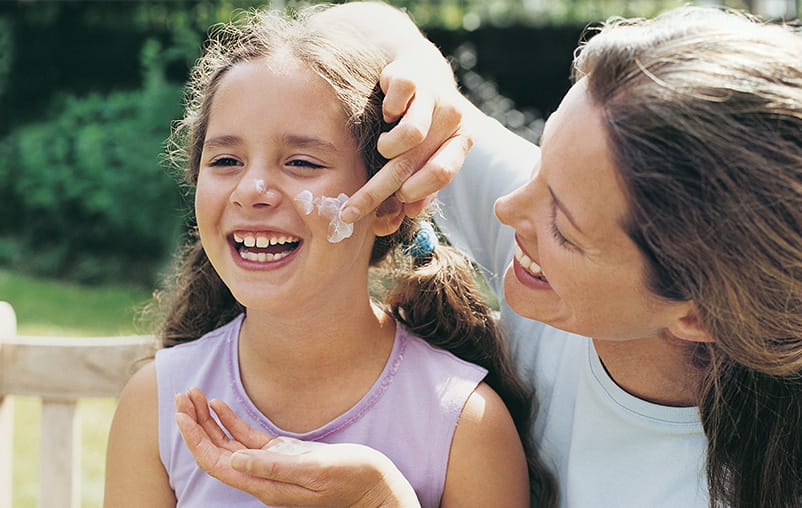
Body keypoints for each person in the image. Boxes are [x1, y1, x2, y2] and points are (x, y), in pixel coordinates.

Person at [188, 3, 802, 508]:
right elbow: (344, 29)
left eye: (561, 225)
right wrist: (424, 72)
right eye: (542, 161)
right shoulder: (576, 204)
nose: (507, 210)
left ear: (697, 315)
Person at [102, 6, 547, 507]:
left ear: (388, 205)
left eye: (302, 162)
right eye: (226, 160)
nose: (252, 190)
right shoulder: (157, 404)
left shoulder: (465, 423)